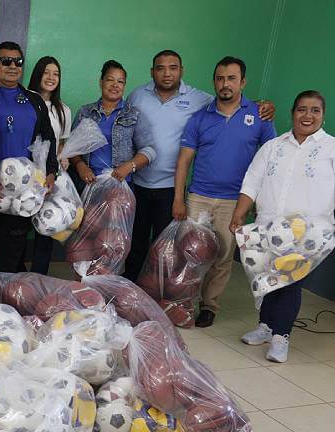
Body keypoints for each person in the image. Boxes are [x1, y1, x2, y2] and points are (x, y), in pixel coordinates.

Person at [124, 50, 275, 282]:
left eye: (173, 68)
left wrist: (260, 106)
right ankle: (131, 287)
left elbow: (229, 102)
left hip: (171, 187)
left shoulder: (199, 99)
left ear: (181, 71)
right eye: (161, 68)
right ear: (152, 72)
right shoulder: (136, 96)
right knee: (137, 241)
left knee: (170, 247)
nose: (167, 73)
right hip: (139, 182)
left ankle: (159, 289)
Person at [172, 56, 276, 328]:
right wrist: (179, 198)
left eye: (231, 78)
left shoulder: (260, 117)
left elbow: (271, 162)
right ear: (214, 82)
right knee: (190, 253)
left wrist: (258, 200)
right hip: (198, 197)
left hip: (234, 201)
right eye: (220, 78)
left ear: (243, 82)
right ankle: (183, 303)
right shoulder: (199, 118)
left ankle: (209, 306)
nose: (225, 84)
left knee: (223, 257)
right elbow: (184, 161)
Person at [232, 91, 333, 363]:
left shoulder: (331, 149)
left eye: (315, 110)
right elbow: (252, 181)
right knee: (267, 278)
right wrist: (240, 212)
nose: (308, 115)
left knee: (289, 283)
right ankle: (266, 327)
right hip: (269, 228)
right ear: (292, 113)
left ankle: (281, 336)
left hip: (308, 234)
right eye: (302, 109)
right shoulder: (273, 146)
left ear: (323, 116)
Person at [0, 41, 58, 272]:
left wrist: (51, 172)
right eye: (6, 61)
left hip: (23, 189)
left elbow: (48, 137)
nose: (13, 66)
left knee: (13, 248)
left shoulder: (35, 100)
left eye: (18, 62)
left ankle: (7, 290)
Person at [69, 60, 155, 186]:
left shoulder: (134, 114)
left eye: (120, 81)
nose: (115, 85)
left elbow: (149, 150)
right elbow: (71, 147)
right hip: (88, 184)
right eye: (110, 80)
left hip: (120, 185)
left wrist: (129, 166)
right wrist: (80, 165)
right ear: (101, 82)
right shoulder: (85, 112)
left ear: (124, 85)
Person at [25, 55, 72, 274]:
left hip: (51, 176)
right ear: (37, 75)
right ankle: (15, 274)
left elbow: (61, 142)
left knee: (46, 225)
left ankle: (39, 275)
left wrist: (63, 158)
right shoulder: (25, 102)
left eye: (56, 74)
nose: (51, 78)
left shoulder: (63, 110)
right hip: (26, 173)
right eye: (46, 72)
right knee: (19, 224)